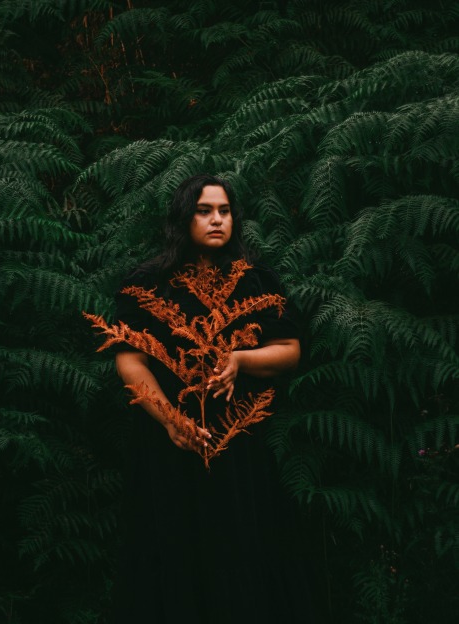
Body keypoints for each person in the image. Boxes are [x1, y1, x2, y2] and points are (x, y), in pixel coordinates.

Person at [111, 174, 313, 624]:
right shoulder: (147, 283)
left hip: (237, 440)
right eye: (204, 211)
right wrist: (169, 420)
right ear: (184, 218)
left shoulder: (257, 281)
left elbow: (290, 351)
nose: (217, 220)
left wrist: (241, 360)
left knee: (239, 548)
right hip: (166, 445)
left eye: (224, 211)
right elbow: (131, 361)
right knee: (170, 550)